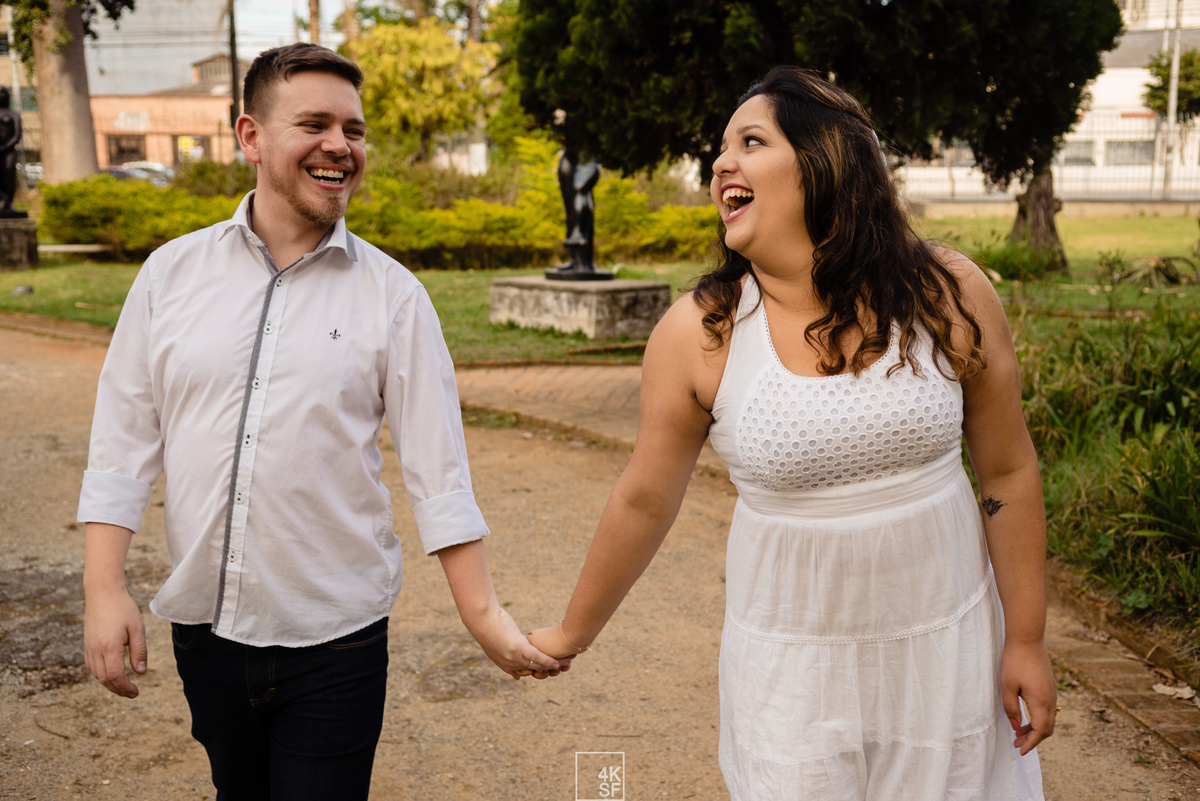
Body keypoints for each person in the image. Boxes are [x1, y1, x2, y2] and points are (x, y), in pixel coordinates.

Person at [528, 66, 1055, 799]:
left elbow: (1006, 472)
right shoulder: (699, 334)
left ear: (826, 162)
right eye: (719, 150)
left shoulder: (948, 292)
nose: (721, 164)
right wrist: (569, 633)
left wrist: (1025, 638)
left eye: (751, 141)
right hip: (792, 674)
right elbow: (643, 499)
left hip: (948, 650)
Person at [79, 43, 563, 801]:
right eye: (314, 123)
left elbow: (439, 475)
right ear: (251, 137)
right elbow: (123, 442)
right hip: (204, 634)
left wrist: (485, 616)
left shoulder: (395, 298)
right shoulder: (169, 276)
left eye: (355, 130)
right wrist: (103, 589)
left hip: (336, 642)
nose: (341, 145)